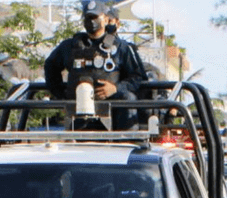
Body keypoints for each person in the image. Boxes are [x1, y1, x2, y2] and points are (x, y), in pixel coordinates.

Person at [43, 0, 148, 130]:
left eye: (95, 17)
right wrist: (62, 95)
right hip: (79, 114)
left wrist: (116, 88)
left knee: (128, 98)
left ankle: (126, 139)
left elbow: (138, 77)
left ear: (105, 18)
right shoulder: (69, 46)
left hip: (115, 117)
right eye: (88, 17)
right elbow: (50, 67)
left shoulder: (121, 47)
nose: (91, 22)